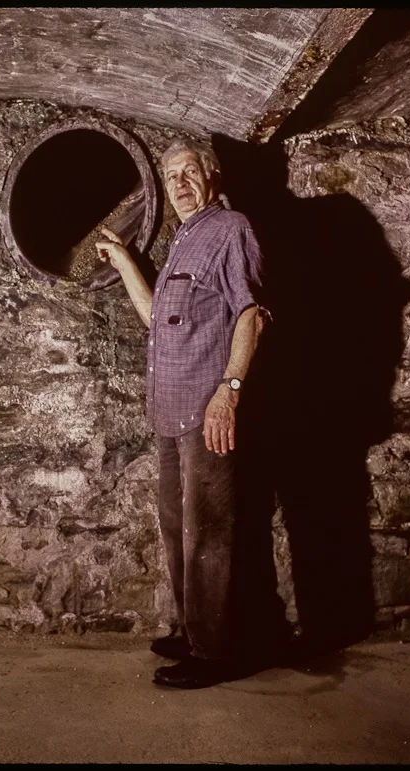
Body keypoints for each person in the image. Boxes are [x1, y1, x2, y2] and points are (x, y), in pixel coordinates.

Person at [96, 138, 287, 689]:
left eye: (189, 172)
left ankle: (215, 651)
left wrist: (228, 392)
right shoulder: (184, 239)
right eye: (171, 175)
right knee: (179, 526)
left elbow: (252, 313)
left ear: (212, 175)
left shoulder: (230, 230)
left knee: (211, 531)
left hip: (208, 411)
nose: (179, 184)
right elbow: (159, 317)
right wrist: (128, 261)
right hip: (170, 411)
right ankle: (192, 629)